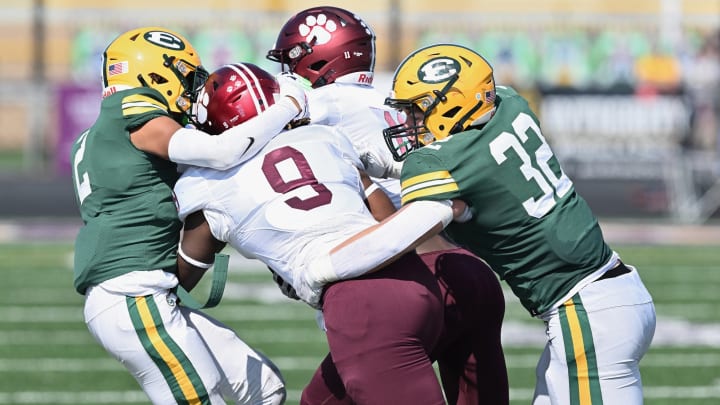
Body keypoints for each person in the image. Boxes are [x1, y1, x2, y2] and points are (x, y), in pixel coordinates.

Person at [378, 43, 657, 404]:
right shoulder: (510, 104)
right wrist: (464, 210)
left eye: (417, 110)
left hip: (585, 310)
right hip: (610, 291)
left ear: (451, 102)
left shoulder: (435, 163)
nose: (410, 122)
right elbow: (487, 170)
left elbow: (403, 230)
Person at [174, 62, 461, 405]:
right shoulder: (325, 136)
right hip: (414, 280)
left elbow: (182, 278)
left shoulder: (204, 183)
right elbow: (384, 215)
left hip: (358, 302)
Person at [266, 6, 508, 404]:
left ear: (318, 57)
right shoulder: (395, 99)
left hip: (405, 275)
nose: (289, 74)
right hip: (467, 269)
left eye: (293, 62)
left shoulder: (319, 107)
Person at [69, 26, 309, 404]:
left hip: (145, 294)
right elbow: (222, 153)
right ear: (153, 73)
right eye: (185, 77)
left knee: (263, 386)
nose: (190, 90)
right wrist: (287, 108)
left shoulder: (97, 136)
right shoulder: (130, 110)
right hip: (132, 294)